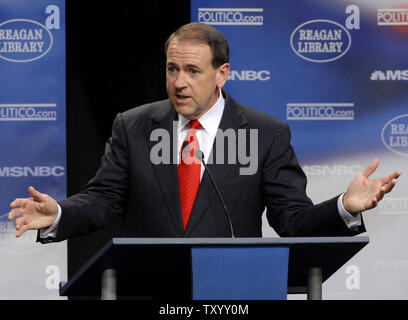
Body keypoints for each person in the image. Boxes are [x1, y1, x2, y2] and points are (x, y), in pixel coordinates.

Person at [8, 23, 401, 242]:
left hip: (234, 293)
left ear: (222, 74)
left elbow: (292, 220)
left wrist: (344, 207)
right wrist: (60, 212)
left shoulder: (266, 134)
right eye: (172, 69)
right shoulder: (134, 126)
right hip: (155, 291)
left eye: (193, 71)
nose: (179, 82)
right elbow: (104, 200)